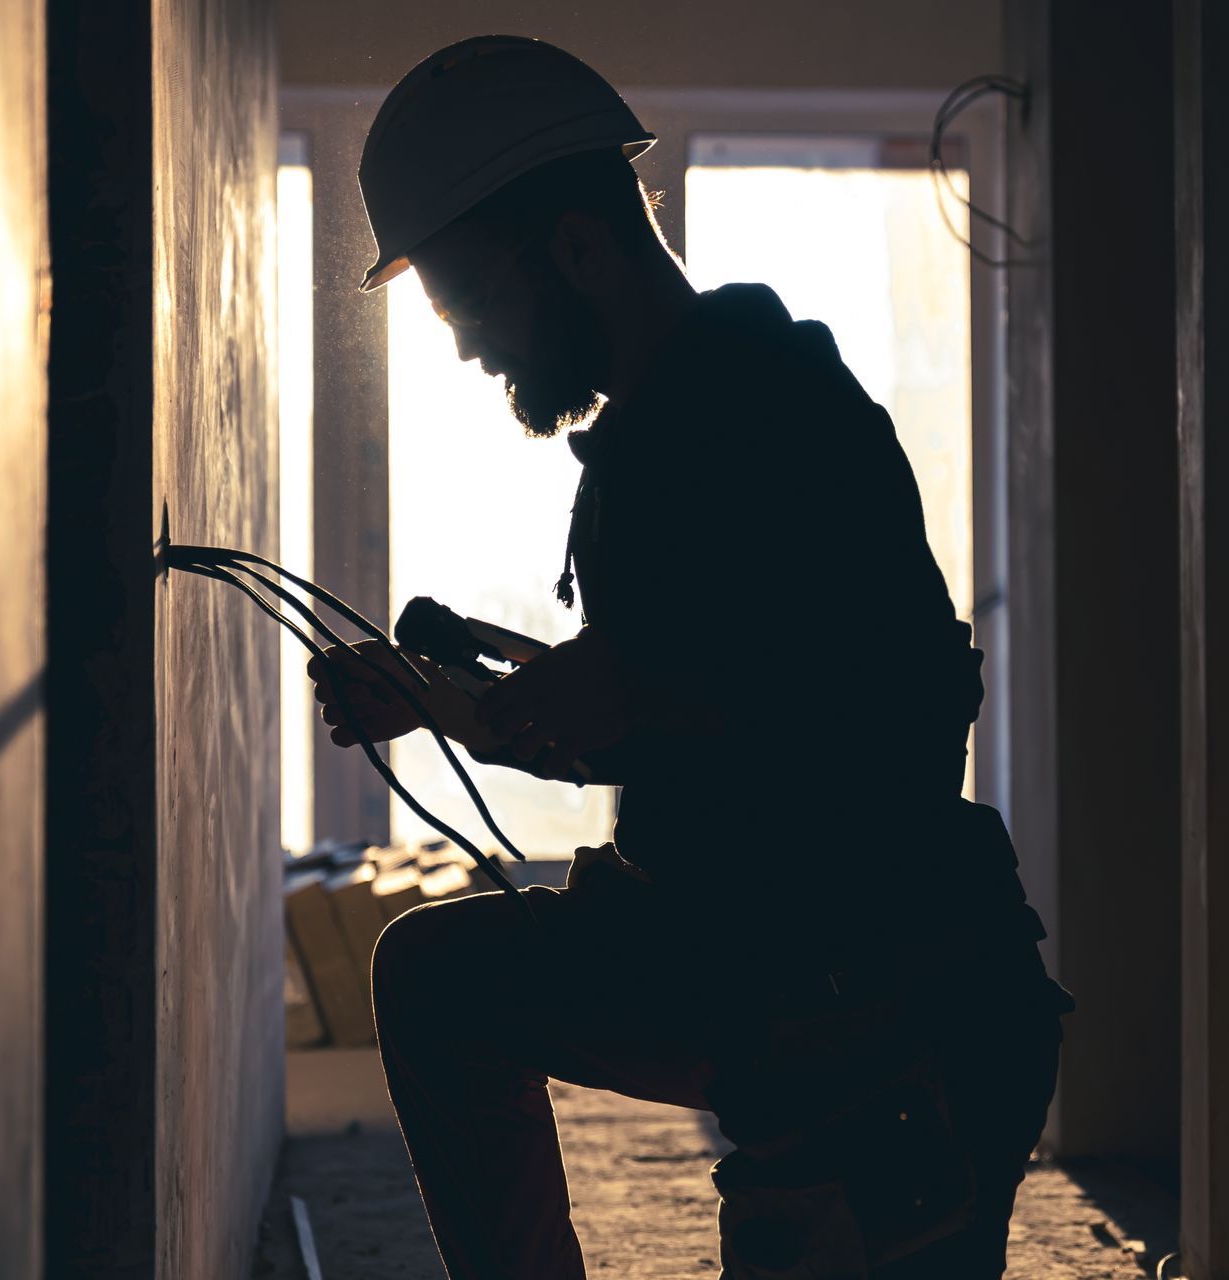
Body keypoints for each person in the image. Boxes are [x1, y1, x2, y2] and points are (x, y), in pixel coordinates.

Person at [308, 35, 1074, 1280]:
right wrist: (461, 705)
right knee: (441, 980)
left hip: (888, 1001)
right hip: (744, 951)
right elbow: (673, 702)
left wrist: (548, 697)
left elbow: (857, 704)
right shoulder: (664, 432)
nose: (463, 348)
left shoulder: (766, 408)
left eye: (471, 305)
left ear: (576, 245)